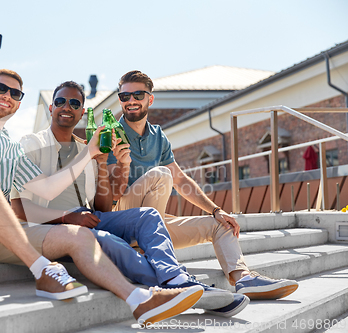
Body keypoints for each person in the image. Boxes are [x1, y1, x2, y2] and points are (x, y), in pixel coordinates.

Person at [0, 29, 204, 325]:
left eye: (15, 93)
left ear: (20, 103)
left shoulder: (11, 147)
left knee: (79, 236)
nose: (7, 96)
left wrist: (90, 156)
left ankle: (140, 300)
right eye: (0, 89)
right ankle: (43, 271)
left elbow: (46, 189)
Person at [10, 80, 250, 317]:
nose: (67, 107)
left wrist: (104, 165)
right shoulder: (32, 143)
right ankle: (181, 285)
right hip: (54, 227)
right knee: (112, 242)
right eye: (60, 101)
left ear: (82, 113)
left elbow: (103, 207)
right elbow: (18, 207)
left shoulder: (87, 148)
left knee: (148, 215)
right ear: (51, 108)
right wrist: (68, 216)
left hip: (89, 217)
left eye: (74, 103)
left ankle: (177, 278)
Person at [107, 70, 299, 307]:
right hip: (122, 221)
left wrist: (216, 210)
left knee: (220, 224)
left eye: (137, 94)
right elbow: (107, 192)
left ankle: (243, 278)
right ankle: (148, 253)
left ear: (150, 99)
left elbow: (182, 181)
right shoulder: (109, 134)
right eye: (124, 96)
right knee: (160, 174)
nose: (131, 101)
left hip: (153, 223)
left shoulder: (158, 136)